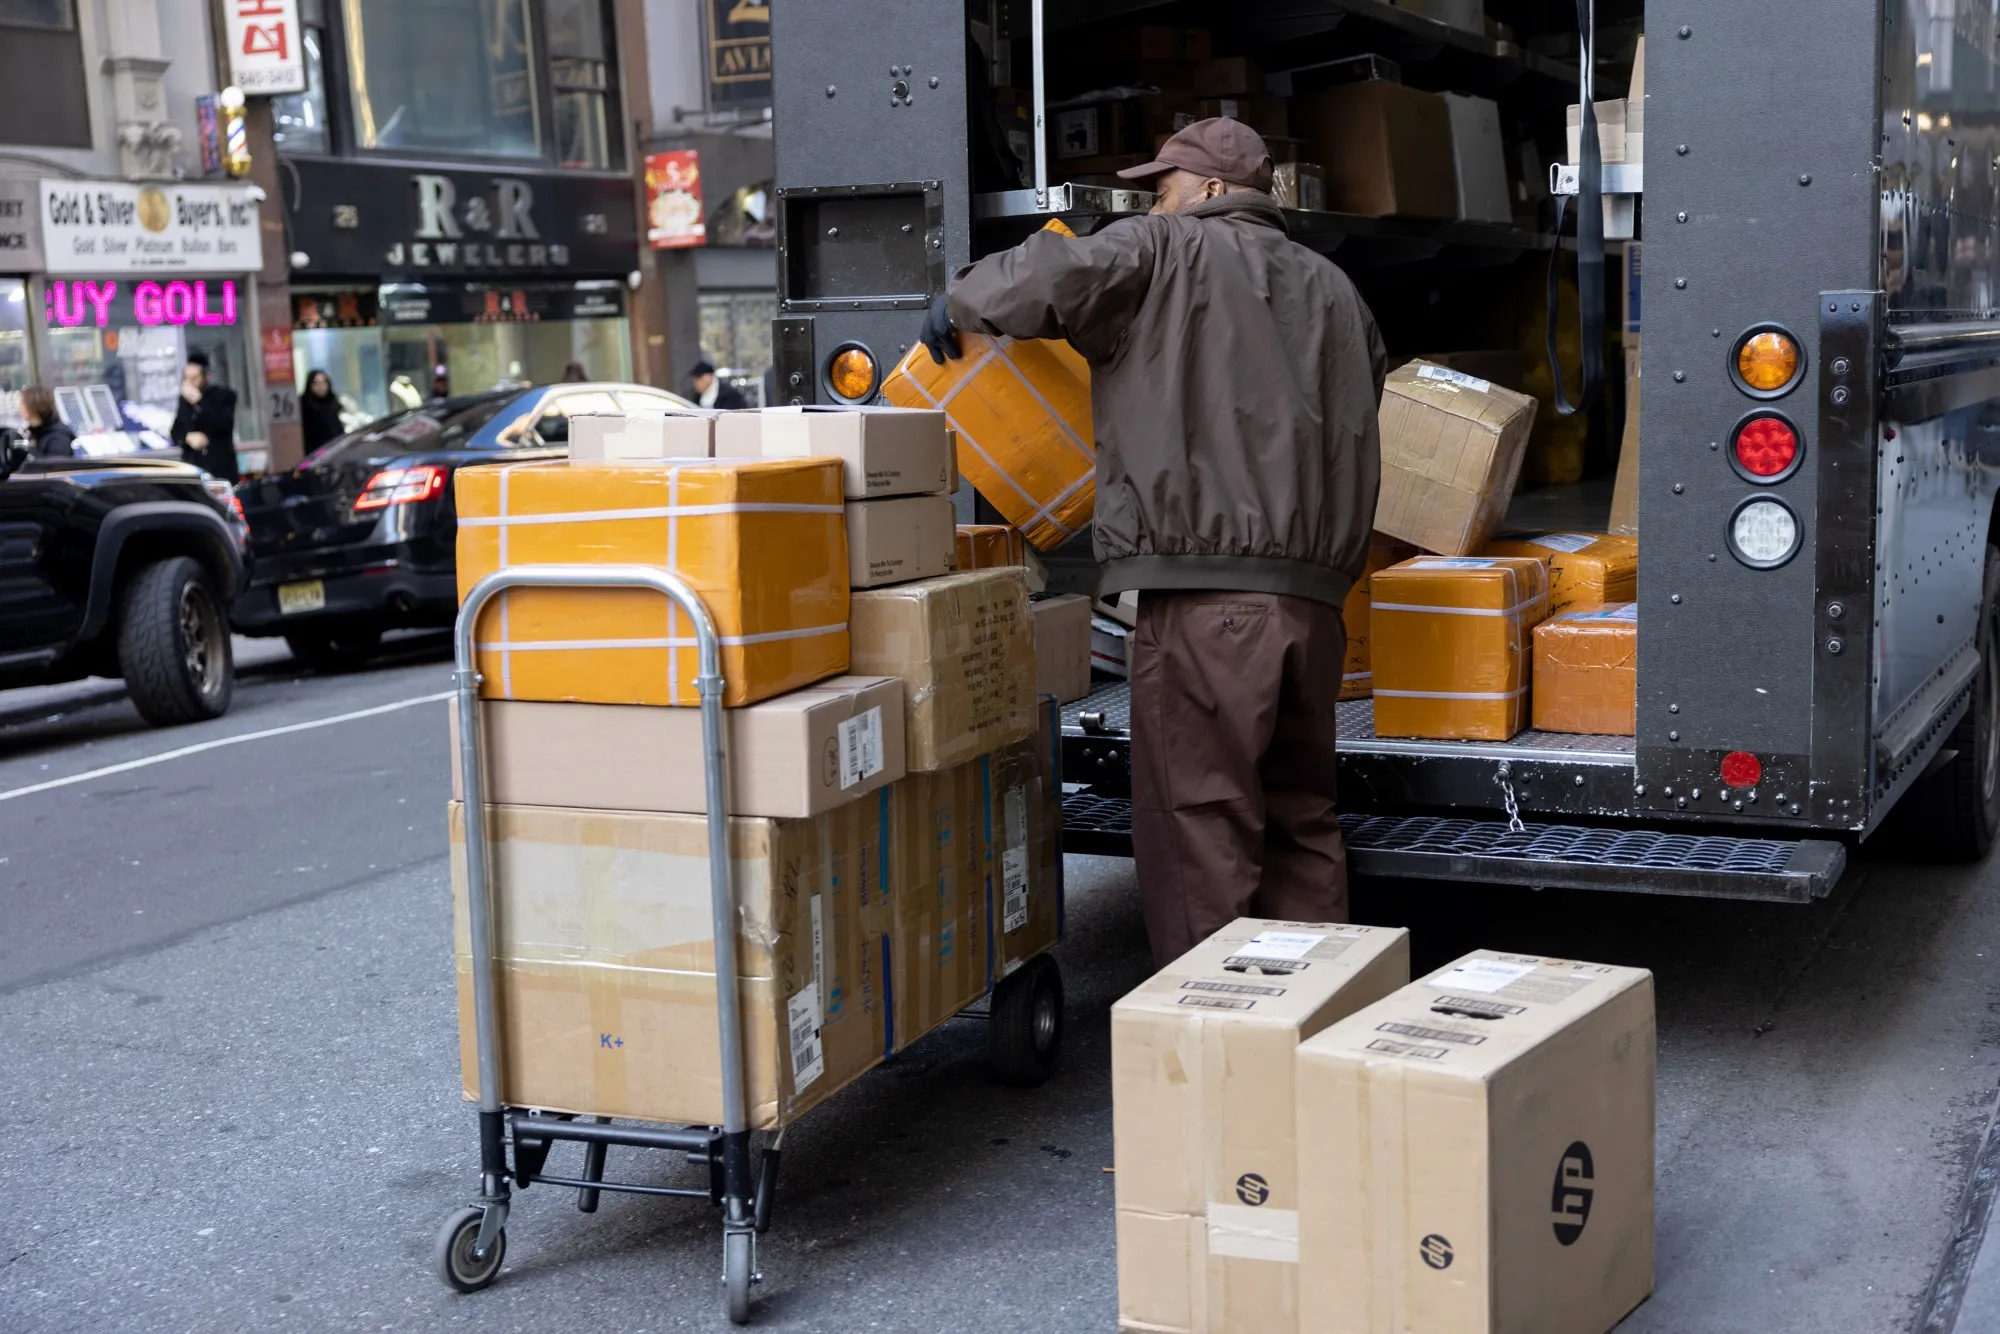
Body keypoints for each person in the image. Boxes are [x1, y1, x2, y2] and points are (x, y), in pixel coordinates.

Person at [922, 119, 1387, 967]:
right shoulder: (1337, 292)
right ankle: (1320, 1024)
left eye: (1163, 186)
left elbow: (1048, 274)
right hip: (1314, 606)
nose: (1152, 201)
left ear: (1211, 192)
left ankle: (1216, 1037)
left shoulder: (1162, 251)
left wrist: (958, 299)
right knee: (1300, 819)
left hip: (1205, 599)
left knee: (1199, 819)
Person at [170, 352, 240, 482]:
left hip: (219, 468)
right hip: (194, 468)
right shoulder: (184, 401)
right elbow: (175, 431)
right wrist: (187, 438)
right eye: (187, 378)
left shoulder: (224, 396)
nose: (190, 384)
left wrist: (199, 402)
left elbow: (223, 424)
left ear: (206, 377)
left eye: (194, 378)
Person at [18, 386, 75, 459]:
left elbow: (55, 466)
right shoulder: (33, 433)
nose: (19, 408)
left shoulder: (58, 437)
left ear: (34, 405)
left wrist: (32, 451)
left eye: (22, 403)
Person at [300, 369, 345, 451]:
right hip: (315, 453)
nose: (320, 386)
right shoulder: (305, 406)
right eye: (316, 383)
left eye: (323, 382)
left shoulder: (333, 404)